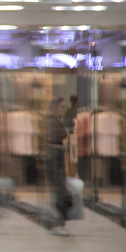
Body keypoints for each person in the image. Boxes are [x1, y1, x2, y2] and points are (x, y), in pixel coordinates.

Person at [45, 98, 72, 236]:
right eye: (62, 107)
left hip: (57, 160)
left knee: (59, 191)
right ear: (55, 107)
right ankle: (58, 222)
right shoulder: (52, 121)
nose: (64, 109)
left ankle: (57, 221)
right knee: (61, 191)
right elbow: (61, 135)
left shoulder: (56, 121)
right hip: (53, 160)